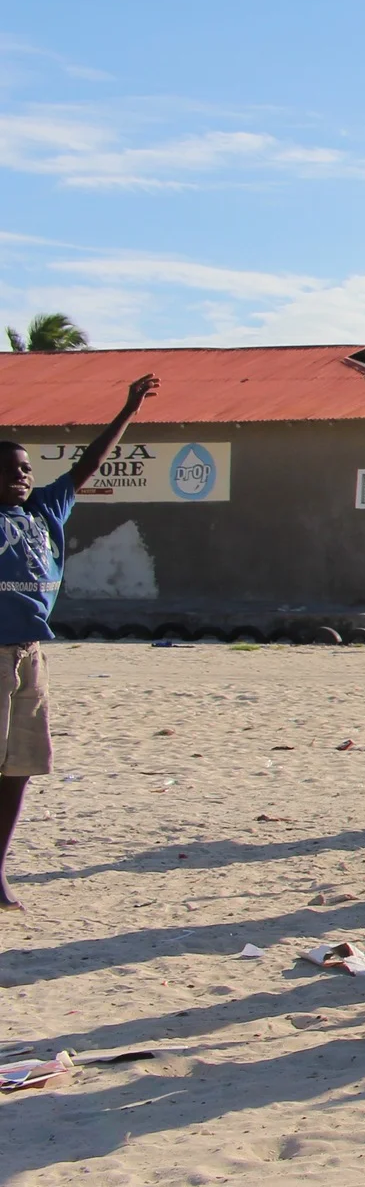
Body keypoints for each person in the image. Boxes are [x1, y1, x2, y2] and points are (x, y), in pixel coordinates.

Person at [0, 370, 158, 909]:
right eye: (10, 470)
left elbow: (88, 465)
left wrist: (128, 410)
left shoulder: (44, 510)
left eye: (25, 469)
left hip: (30, 654)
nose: (22, 477)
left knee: (19, 765)